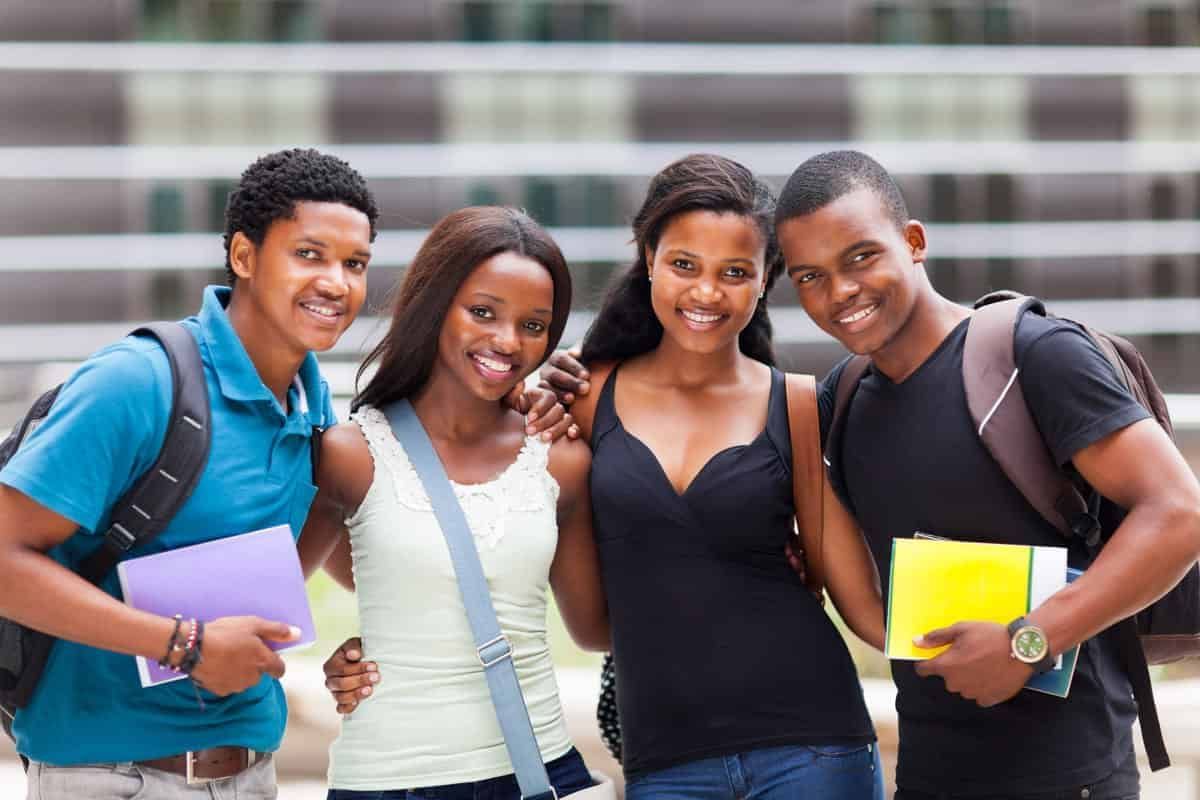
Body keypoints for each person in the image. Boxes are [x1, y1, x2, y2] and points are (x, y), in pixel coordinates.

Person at [0, 149, 570, 800]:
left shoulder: (315, 415)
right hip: (108, 777)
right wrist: (184, 644)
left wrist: (524, 399)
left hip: (250, 774)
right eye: (309, 254)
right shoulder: (138, 382)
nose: (336, 282)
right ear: (244, 256)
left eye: (354, 263)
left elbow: (383, 575)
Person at [338, 155, 885, 799]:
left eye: (735, 272)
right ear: (648, 257)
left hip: (815, 745)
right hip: (666, 760)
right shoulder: (579, 400)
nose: (706, 292)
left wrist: (1013, 634)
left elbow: (864, 609)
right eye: (684, 265)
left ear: (766, 280)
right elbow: (469, 536)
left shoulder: (795, 405)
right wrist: (379, 648)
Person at [768, 150, 1200, 799]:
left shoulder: (1033, 355)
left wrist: (1027, 642)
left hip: (1072, 777)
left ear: (913, 242)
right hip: (930, 776)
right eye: (810, 276)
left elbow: (1179, 513)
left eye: (860, 257)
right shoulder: (843, 401)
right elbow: (878, 606)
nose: (839, 293)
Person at [302, 206, 608, 800]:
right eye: (483, 312)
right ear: (435, 304)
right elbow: (278, 597)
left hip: (537, 771)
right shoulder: (350, 454)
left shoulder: (561, 457)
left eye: (534, 325)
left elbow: (596, 629)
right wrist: (350, 663)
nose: (507, 341)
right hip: (388, 781)